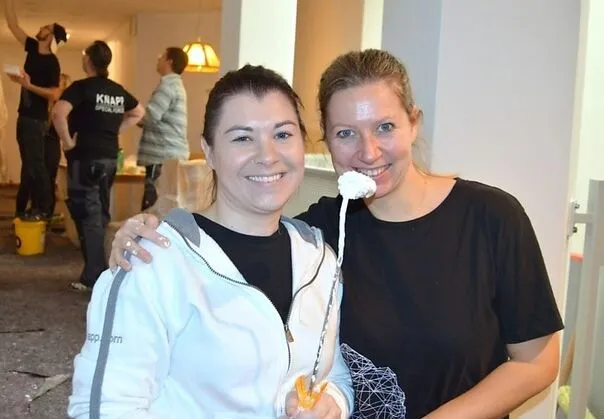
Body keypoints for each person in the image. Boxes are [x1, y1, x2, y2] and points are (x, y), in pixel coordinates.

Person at [108, 49, 564, 419]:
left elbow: (537, 361)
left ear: (414, 123)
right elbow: (233, 239)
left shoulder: (490, 218)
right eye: (346, 133)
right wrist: (151, 231)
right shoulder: (320, 235)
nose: (368, 151)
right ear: (325, 142)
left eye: (385, 127)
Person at [67, 65, 353, 418]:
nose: (267, 155)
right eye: (242, 138)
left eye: (282, 134)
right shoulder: (152, 260)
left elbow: (335, 374)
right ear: (209, 151)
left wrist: (333, 403)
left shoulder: (320, 260)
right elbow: (105, 408)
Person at [51, 41, 145, 291]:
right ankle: (99, 270)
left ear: (88, 61)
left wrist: (67, 142)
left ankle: (95, 276)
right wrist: (114, 130)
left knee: (87, 214)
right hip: (109, 158)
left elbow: (58, 113)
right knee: (99, 212)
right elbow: (138, 112)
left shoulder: (81, 88)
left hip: (85, 157)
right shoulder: (117, 90)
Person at [4, 0, 66, 220]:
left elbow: (55, 94)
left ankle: (44, 208)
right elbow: (13, 25)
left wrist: (28, 86)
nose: (42, 27)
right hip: (24, 115)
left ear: (50, 37)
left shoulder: (52, 63)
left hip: (36, 119)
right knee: (29, 165)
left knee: (36, 165)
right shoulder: (31, 47)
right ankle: (30, 209)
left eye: (46, 28)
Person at [136, 47, 190, 211]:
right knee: (166, 202)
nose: (158, 59)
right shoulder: (177, 85)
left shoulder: (167, 86)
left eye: (161, 56)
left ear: (169, 61)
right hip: (172, 153)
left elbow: (151, 116)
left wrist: (133, 115)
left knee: (153, 203)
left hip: (161, 153)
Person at [16, 73, 72, 219]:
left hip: (51, 143)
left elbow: (62, 127)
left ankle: (45, 214)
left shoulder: (63, 107)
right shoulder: (41, 104)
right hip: (39, 141)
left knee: (47, 178)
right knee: (30, 175)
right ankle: (28, 210)